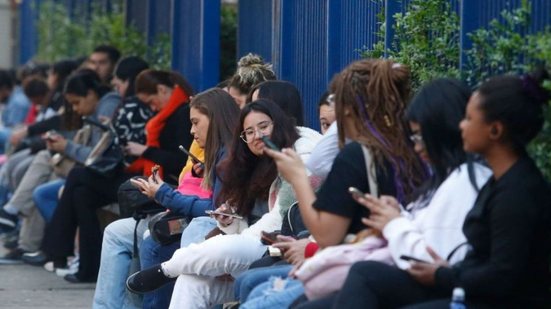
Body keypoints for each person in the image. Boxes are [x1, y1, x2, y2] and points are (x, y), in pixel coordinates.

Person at [333, 71, 551, 308]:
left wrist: (443, 275)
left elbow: (503, 275)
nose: (461, 125)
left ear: (495, 130)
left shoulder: (516, 192)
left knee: (367, 278)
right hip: (468, 288)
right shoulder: (499, 181)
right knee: (364, 275)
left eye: (469, 119)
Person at [126, 99, 317, 308]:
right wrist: (228, 220)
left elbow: (279, 216)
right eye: (250, 132)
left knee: (222, 242)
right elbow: (238, 214)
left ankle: (167, 269)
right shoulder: (247, 164)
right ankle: (176, 270)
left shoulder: (294, 158)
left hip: (273, 246)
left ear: (278, 124)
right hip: (245, 247)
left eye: (263, 127)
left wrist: (238, 241)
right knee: (191, 281)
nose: (257, 136)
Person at [93, 88, 239, 309]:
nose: (191, 130)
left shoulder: (229, 154)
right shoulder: (219, 151)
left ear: (215, 118)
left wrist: (163, 194)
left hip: (210, 224)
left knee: (154, 240)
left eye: (196, 122)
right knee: (126, 232)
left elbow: (215, 209)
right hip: (193, 213)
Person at [264, 59, 426, 249]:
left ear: (347, 109)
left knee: (251, 279)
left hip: (362, 265)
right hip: (399, 258)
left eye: (336, 101)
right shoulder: (412, 149)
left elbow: (326, 235)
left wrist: (298, 177)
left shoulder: (356, 156)